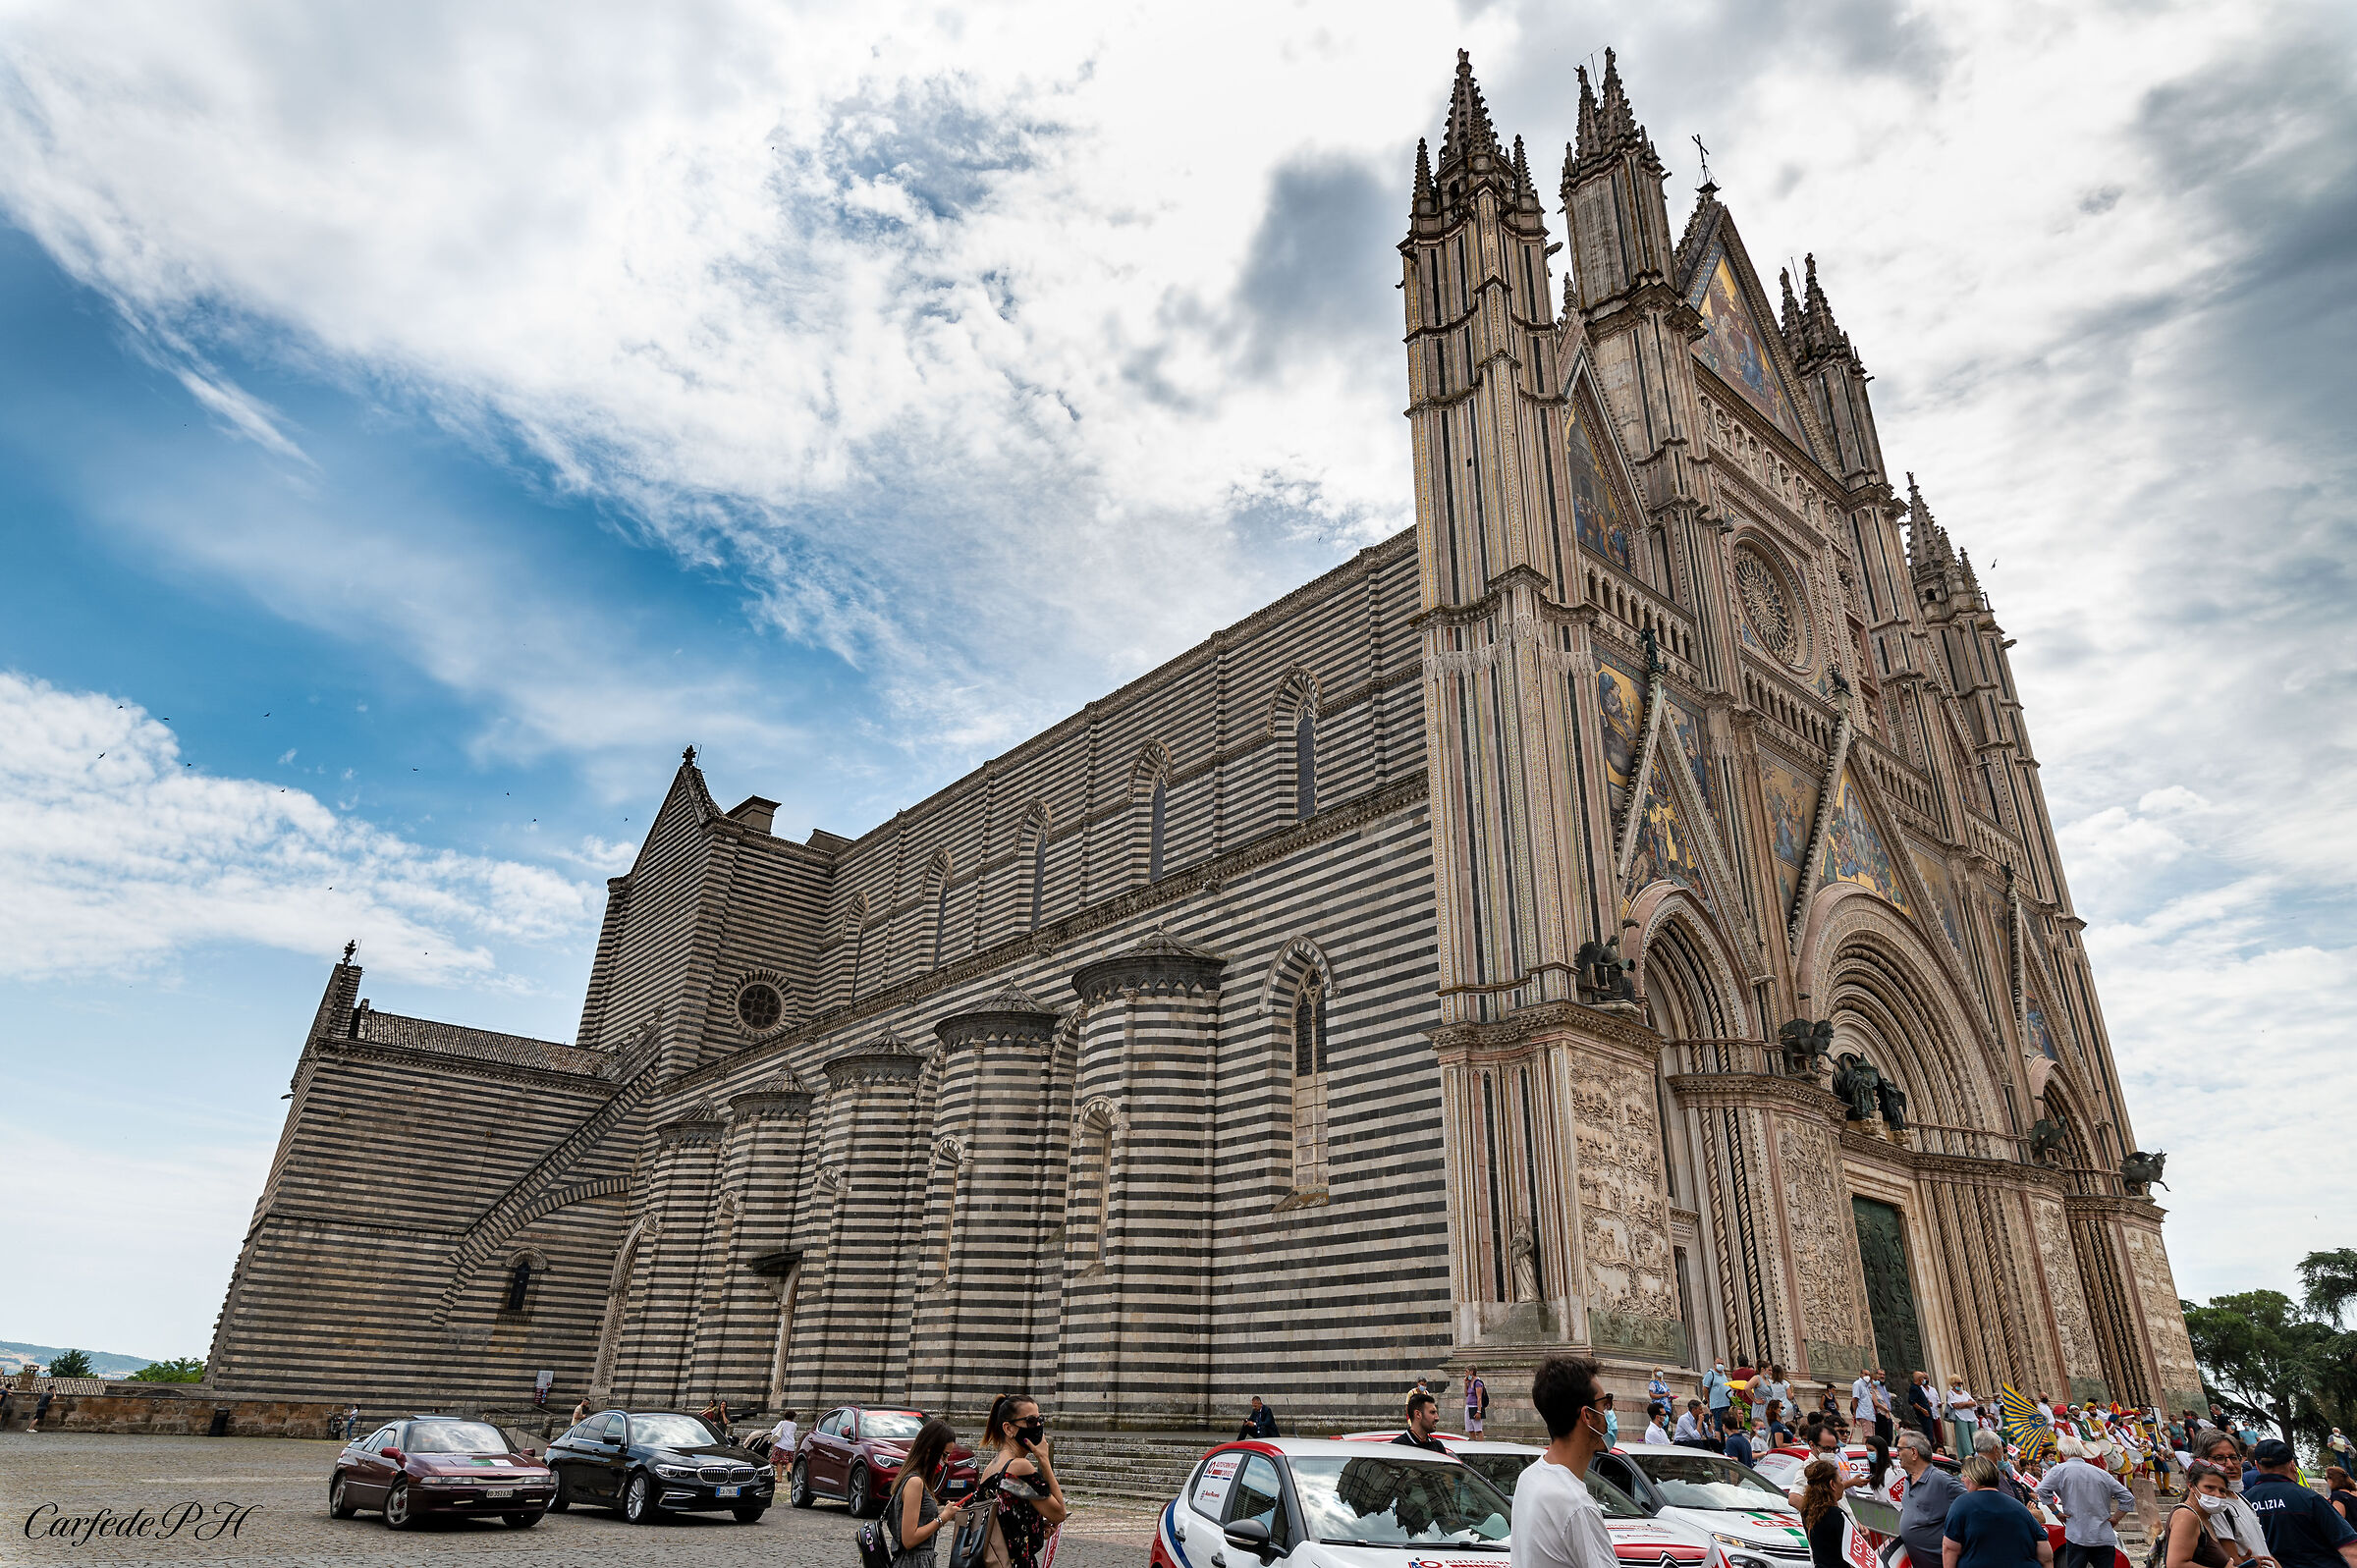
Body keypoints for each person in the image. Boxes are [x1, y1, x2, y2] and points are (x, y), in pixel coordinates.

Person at [1513, 1355, 1619, 1568]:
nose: (1608, 1413)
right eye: (1604, 1404)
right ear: (1587, 1416)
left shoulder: (1529, 1477)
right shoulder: (1576, 1505)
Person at [978, 1393, 1068, 1568]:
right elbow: (1059, 1513)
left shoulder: (991, 1468)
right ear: (1008, 1429)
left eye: (1040, 1420)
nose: (1038, 1426)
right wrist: (1044, 1459)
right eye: (1031, 1421)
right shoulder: (1020, 1467)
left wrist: (1034, 1526)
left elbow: (1005, 1518)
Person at [2245, 1437, 2357, 1568]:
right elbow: (2349, 1549)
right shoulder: (2309, 1498)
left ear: (2257, 1466)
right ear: (2292, 1464)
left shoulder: (2245, 1502)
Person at [2038, 1433, 2137, 1568]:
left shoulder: (2059, 1470)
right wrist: (2116, 1518)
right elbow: (2127, 1497)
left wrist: (2056, 1512)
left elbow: (2042, 1490)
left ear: (2062, 1453)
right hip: (2103, 1534)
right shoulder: (2100, 1472)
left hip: (2077, 1533)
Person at [885, 1417, 970, 1568]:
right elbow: (909, 1539)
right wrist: (942, 1518)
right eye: (944, 1455)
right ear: (930, 1450)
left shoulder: (916, 1480)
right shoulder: (914, 1482)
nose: (945, 1461)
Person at [1946, 1454, 2056, 1568]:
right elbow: (2045, 1553)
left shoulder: (1961, 1504)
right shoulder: (2018, 1506)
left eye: (1964, 1475)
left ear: (1975, 1477)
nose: (1962, 1479)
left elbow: (1950, 1548)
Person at [2189, 1428, 2274, 1565]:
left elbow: (2263, 1551)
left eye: (2234, 1457)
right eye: (2219, 1458)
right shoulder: (2215, 1506)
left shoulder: (2242, 1499)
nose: (2230, 1465)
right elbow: (2233, 1561)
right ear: (2202, 1462)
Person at [1898, 1430, 1968, 1568]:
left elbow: (1972, 1505)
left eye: (1900, 1449)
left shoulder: (1941, 1480)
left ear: (1914, 1452)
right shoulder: (1907, 1481)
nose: (1897, 1454)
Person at [2166, 1461, 2256, 1568]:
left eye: (2222, 1491)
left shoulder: (2205, 1519)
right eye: (2209, 1487)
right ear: (2191, 1486)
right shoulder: (2186, 1516)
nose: (2217, 1495)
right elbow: (2176, 1565)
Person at [1797, 1459, 1852, 1568]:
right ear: (1832, 1484)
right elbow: (1852, 1556)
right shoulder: (1837, 1515)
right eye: (1840, 1480)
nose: (1842, 1485)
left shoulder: (1807, 1512)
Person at [1910, 1374, 1943, 1451]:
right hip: (1924, 1415)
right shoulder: (1914, 1388)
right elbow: (1911, 1401)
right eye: (1923, 1378)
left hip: (1933, 1414)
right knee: (1929, 1435)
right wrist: (1922, 1409)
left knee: (1937, 1434)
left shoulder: (1923, 1389)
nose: (1924, 1380)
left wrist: (1927, 1402)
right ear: (1919, 1379)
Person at [770, 1409, 801, 1480]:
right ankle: (788, 1470)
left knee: (779, 1462)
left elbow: (775, 1430)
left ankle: (779, 1478)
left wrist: (771, 1433)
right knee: (789, 1460)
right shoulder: (794, 1425)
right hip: (791, 1444)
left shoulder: (782, 1423)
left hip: (781, 1444)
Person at [1706, 1361, 1734, 1434]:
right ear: (1714, 1364)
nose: (1720, 1365)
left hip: (1726, 1404)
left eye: (1722, 1364)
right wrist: (1709, 1401)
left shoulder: (1723, 1374)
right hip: (1717, 1405)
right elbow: (1705, 1388)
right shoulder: (1710, 1374)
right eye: (1718, 1363)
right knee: (1719, 1425)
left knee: (1727, 1424)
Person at [1467, 1368, 1490, 1437]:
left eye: (1466, 1371)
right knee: (1470, 1429)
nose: (1465, 1373)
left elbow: (1479, 1398)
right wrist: (1465, 1383)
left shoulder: (1478, 1383)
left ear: (1471, 1372)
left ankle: (1480, 1446)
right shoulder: (1469, 1381)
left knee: (1478, 1430)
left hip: (1475, 1407)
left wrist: (1479, 1411)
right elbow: (1466, 1394)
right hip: (1468, 1406)